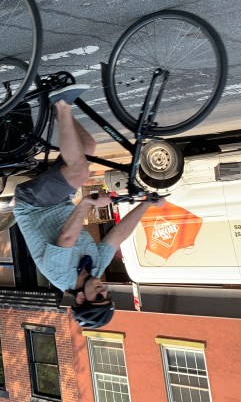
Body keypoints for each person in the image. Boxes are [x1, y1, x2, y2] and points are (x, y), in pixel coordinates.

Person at [12, 83, 164, 329]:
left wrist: (86, 203)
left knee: (79, 172)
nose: (104, 291)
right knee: (88, 147)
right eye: (108, 297)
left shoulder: (60, 275)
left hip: (33, 204)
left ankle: (61, 102)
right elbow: (118, 235)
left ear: (81, 297)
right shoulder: (95, 267)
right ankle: (58, 110)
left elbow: (67, 237)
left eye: (100, 298)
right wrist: (146, 205)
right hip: (58, 201)